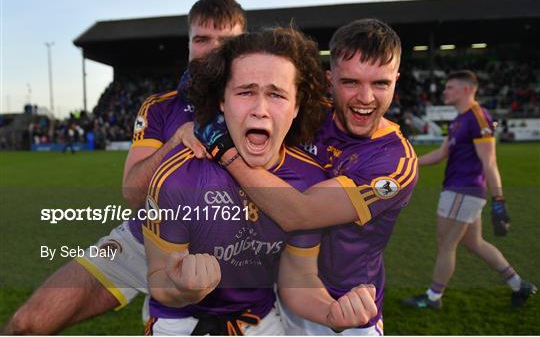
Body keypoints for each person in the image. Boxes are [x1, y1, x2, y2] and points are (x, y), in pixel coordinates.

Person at [3, 0, 246, 334]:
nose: (213, 48)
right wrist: (175, 142)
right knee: (27, 324)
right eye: (202, 39)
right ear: (189, 45)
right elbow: (132, 193)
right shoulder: (160, 108)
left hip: (233, 249)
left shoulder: (265, 105)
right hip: (146, 237)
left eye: (226, 41)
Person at [189, 18, 417, 335]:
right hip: (282, 294)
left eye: (380, 83)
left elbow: (299, 212)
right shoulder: (309, 114)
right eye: (350, 82)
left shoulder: (394, 162)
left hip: (344, 310)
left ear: (396, 81)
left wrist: (224, 149)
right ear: (330, 79)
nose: (365, 97)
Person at [143, 27, 377, 335]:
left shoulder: (309, 180)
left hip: (258, 318)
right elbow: (159, 283)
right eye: (245, 92)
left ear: (296, 107)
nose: (260, 110)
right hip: (180, 320)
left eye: (277, 94)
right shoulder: (177, 177)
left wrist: (330, 313)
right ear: (222, 101)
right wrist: (183, 286)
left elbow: (300, 280)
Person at [402, 70, 536, 309]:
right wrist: (409, 162)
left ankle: (433, 297)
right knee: (475, 243)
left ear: (466, 89)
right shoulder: (458, 120)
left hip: (464, 190)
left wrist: (499, 200)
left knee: (446, 243)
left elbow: (490, 161)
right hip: (458, 189)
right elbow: (441, 154)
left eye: (449, 87)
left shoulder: (478, 117)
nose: (444, 91)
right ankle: (518, 285)